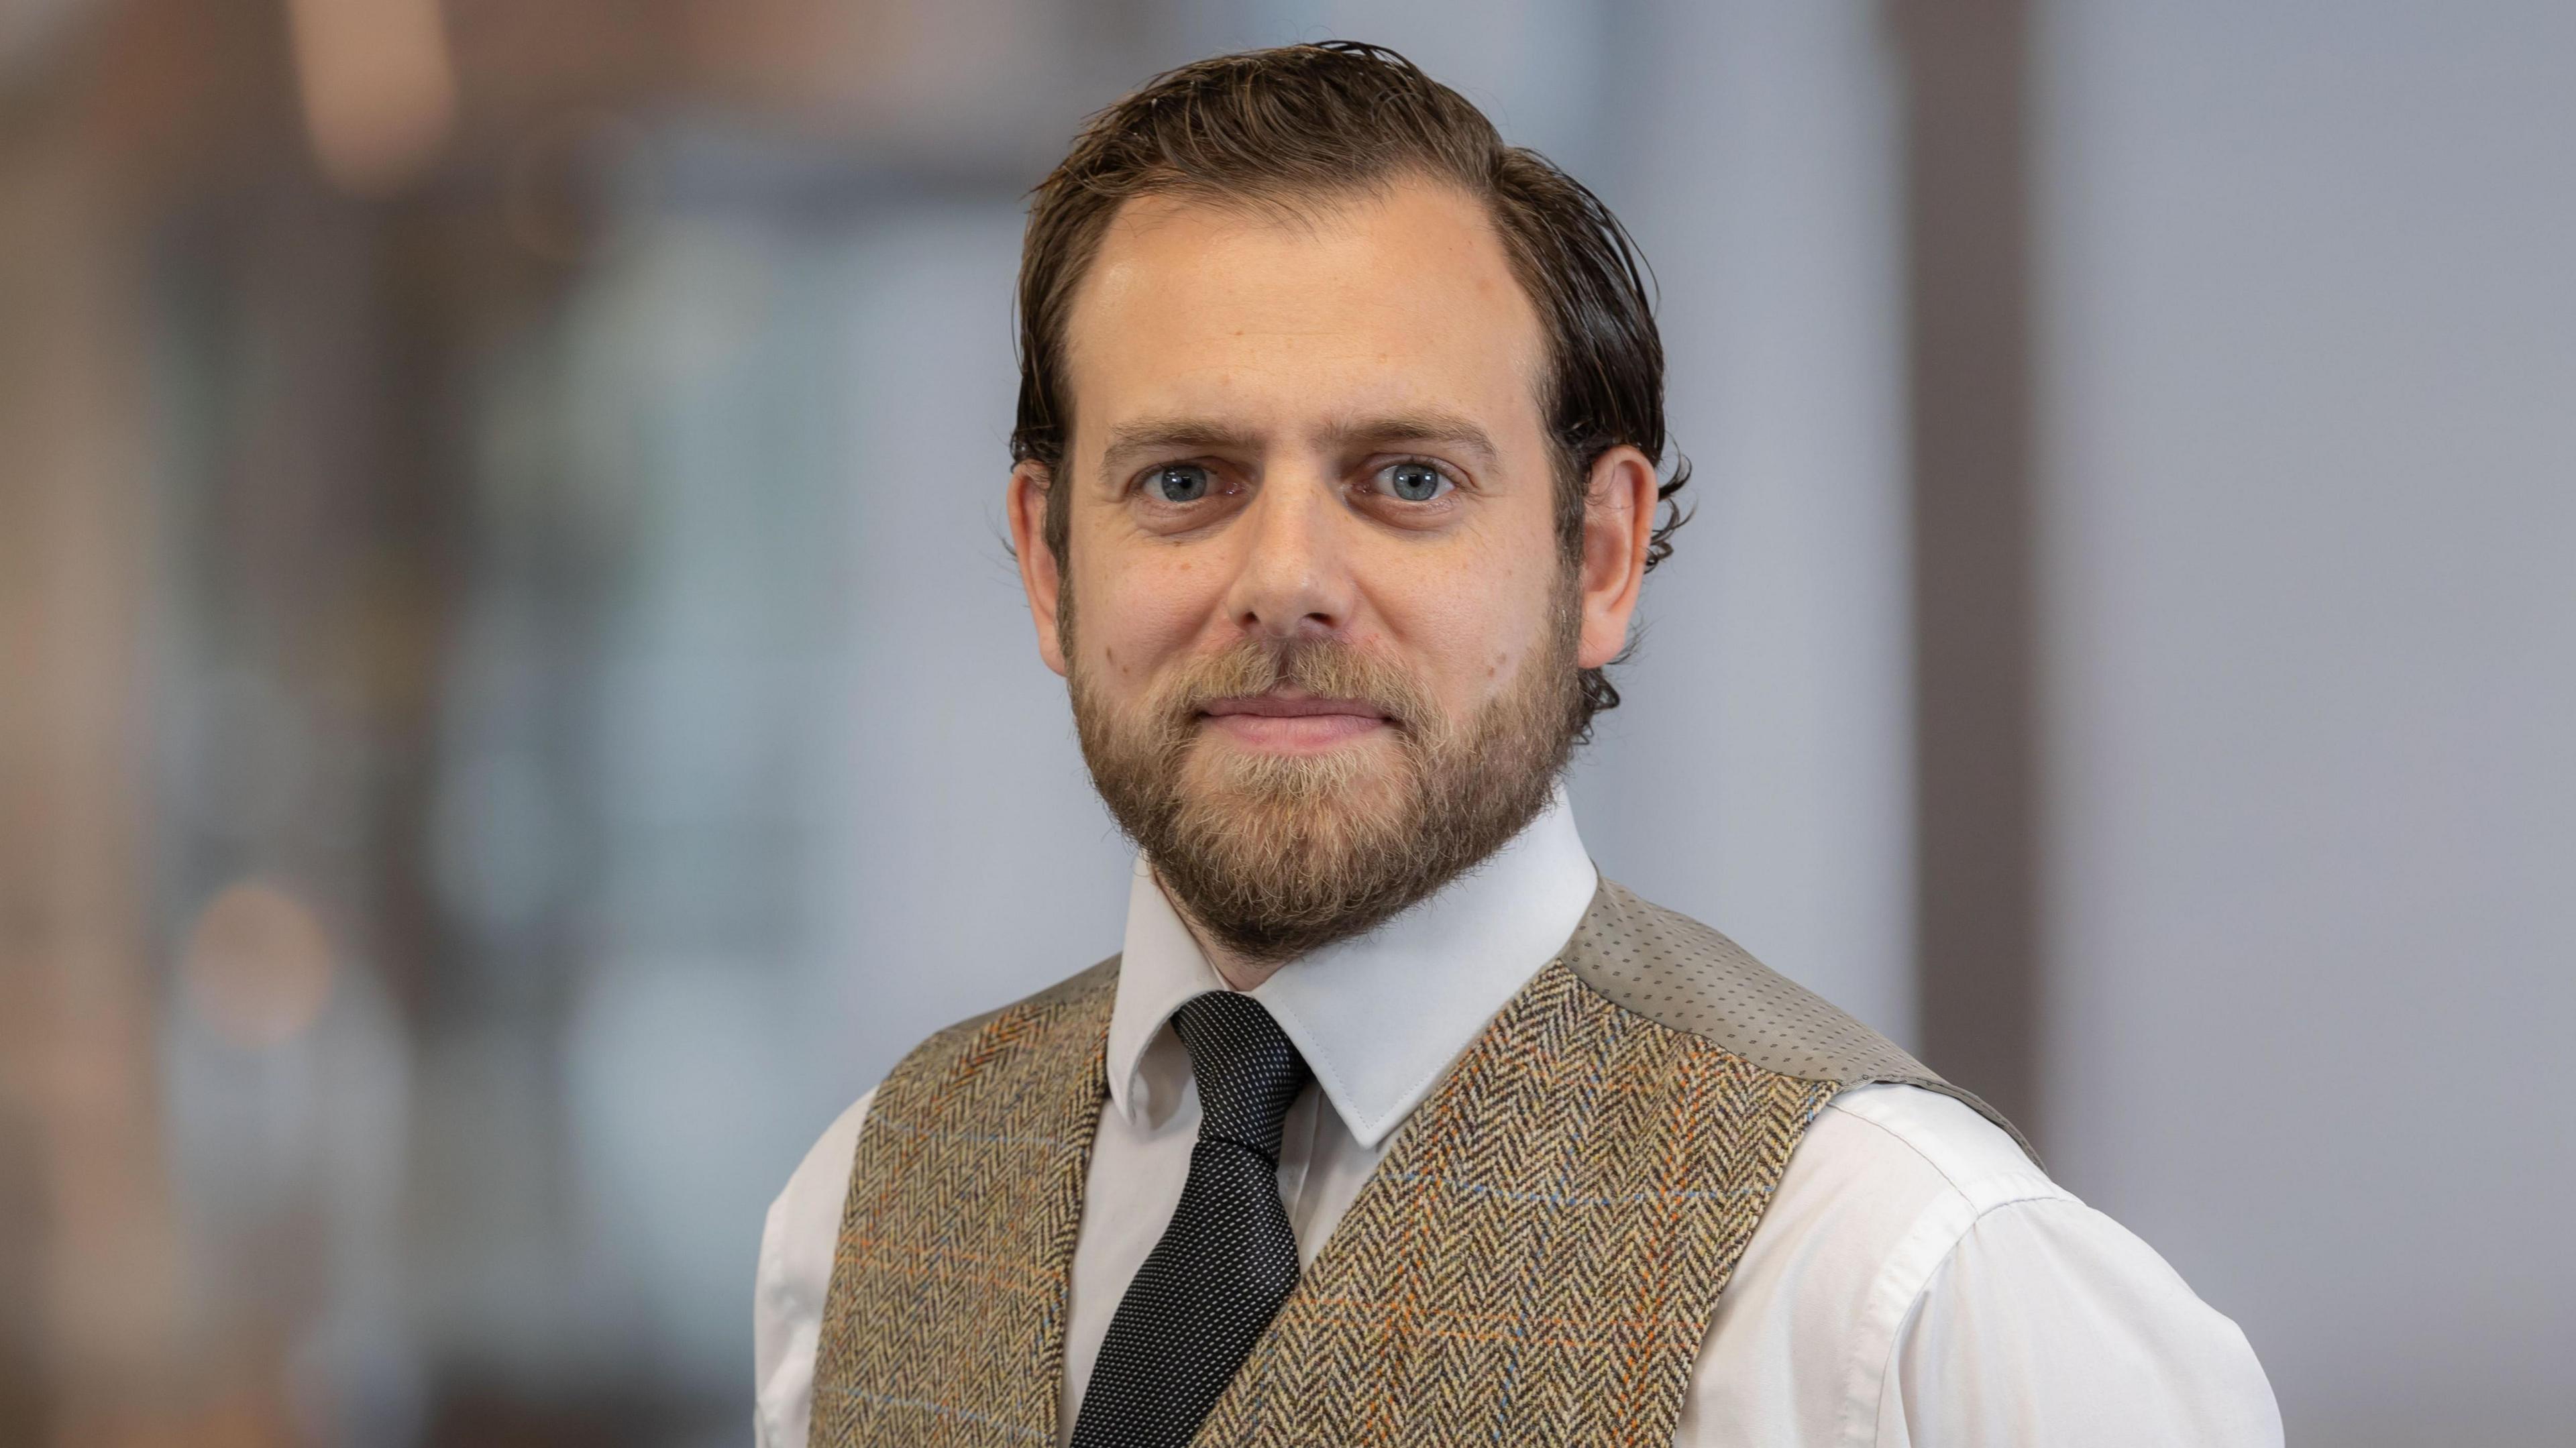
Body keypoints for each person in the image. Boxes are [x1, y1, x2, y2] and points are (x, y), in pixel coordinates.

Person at [753, 42, 2279, 1448]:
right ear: (1047, 560)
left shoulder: (1919, 1298)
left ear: (1599, 555)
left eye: (1408, 477)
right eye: (1185, 481)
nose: (1285, 579)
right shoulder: (861, 1208)